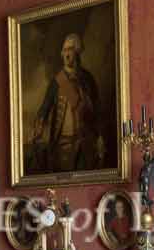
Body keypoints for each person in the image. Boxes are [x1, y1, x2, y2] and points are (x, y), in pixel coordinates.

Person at [31, 33, 103, 173]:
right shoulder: (57, 81)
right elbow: (45, 107)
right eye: (64, 50)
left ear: (77, 52)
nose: (66, 54)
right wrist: (39, 126)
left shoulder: (88, 79)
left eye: (70, 49)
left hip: (86, 141)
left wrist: (100, 136)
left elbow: (97, 110)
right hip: (63, 144)